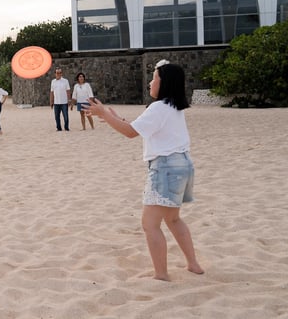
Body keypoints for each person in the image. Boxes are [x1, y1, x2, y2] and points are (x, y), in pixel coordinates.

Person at [83, 61, 204, 281]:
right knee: (173, 220)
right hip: (183, 165)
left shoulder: (158, 107)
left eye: (154, 78)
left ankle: (161, 274)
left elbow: (130, 133)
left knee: (150, 224)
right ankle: (193, 264)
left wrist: (105, 114)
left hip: (166, 168)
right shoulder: (173, 106)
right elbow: (139, 127)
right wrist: (112, 118)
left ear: (164, 83)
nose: (151, 81)